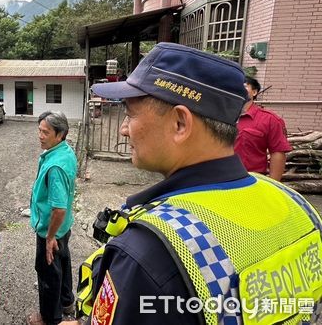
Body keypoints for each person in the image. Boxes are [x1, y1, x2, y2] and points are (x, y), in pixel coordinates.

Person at [64, 43, 322, 325]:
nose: (124, 129)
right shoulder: (299, 208)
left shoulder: (152, 252)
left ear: (180, 124)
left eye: (130, 113)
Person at [28, 111, 78, 325]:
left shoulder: (55, 166)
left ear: (60, 135)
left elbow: (58, 209)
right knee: (63, 264)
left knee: (48, 273)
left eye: (45, 132)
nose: (40, 135)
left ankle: (50, 318)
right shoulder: (65, 152)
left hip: (52, 230)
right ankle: (67, 303)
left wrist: (49, 238)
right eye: (39, 130)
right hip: (64, 228)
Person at [234, 75, 292, 181]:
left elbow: (277, 152)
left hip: (251, 180)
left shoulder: (270, 120)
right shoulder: (221, 116)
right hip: (220, 179)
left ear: (254, 92)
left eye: (244, 86)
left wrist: (273, 184)